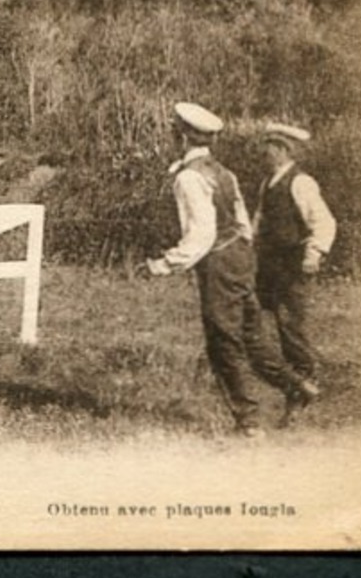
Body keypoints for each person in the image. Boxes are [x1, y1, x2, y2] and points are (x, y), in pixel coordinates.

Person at [142, 102, 318, 437]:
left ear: (181, 137)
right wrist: (241, 256)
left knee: (223, 341)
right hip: (239, 256)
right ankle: (297, 386)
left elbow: (201, 234)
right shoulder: (224, 172)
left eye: (173, 132)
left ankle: (248, 422)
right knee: (252, 335)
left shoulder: (189, 178)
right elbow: (242, 223)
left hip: (219, 261)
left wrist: (163, 264)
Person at [253, 122, 337, 416]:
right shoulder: (268, 183)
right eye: (265, 146)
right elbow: (259, 221)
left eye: (269, 147)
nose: (263, 152)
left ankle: (304, 387)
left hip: (292, 266)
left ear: (282, 150)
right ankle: (291, 383)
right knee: (254, 322)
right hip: (268, 265)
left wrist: (313, 254)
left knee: (291, 328)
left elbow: (324, 222)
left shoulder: (301, 182)